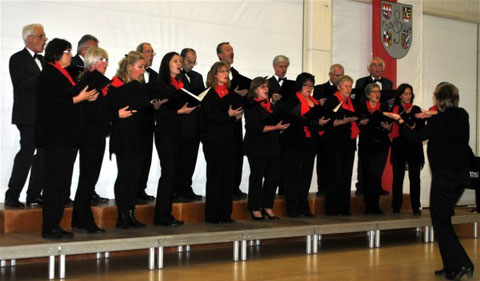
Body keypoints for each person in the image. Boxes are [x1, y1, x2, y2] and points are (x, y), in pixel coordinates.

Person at [384, 82, 474, 280]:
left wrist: (399, 121)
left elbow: (416, 137)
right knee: (443, 220)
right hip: (460, 177)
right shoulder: (463, 115)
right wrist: (430, 115)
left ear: (439, 100)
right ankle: (451, 265)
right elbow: (449, 116)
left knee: (440, 220)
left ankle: (462, 263)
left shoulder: (437, 122)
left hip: (444, 178)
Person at [36, 38, 99, 239]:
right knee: (54, 182)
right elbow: (52, 105)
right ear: (56, 54)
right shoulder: (49, 74)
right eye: (67, 51)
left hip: (66, 136)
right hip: (55, 136)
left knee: (62, 182)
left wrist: (85, 98)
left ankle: (56, 223)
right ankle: (49, 226)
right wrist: (78, 98)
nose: (70, 55)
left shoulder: (65, 73)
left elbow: (68, 102)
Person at [71, 47, 131, 233]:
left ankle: (79, 218)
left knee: (90, 178)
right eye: (102, 59)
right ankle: (83, 219)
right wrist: (116, 114)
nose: (105, 63)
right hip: (89, 135)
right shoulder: (89, 81)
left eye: (106, 59)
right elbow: (92, 113)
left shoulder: (101, 83)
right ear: (92, 61)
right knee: (88, 178)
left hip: (97, 135)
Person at [107, 51, 161, 229]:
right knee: (125, 175)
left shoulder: (139, 87)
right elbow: (109, 109)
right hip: (124, 136)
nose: (142, 71)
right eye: (140, 67)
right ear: (129, 67)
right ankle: (122, 215)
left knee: (134, 176)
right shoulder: (115, 85)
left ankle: (130, 212)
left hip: (139, 136)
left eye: (144, 68)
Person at [5, 23, 47, 208]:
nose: (44, 39)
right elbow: (20, 86)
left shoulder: (44, 61)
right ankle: (12, 194)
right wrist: (44, 75)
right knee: (27, 152)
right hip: (28, 116)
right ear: (30, 38)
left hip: (44, 116)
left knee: (44, 154)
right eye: (41, 36)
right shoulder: (17, 59)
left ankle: (34, 194)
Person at [153, 51, 196, 226]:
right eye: (175, 61)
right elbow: (161, 113)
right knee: (168, 173)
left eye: (180, 61)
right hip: (165, 133)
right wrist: (179, 111)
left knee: (173, 173)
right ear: (166, 65)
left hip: (177, 132)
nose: (179, 64)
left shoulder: (180, 84)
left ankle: (167, 213)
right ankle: (161, 215)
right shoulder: (162, 84)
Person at [281, 73, 329, 218]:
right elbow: (291, 120)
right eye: (306, 85)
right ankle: (292, 208)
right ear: (300, 85)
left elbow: (315, 119)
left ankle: (304, 206)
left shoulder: (314, 101)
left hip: (310, 142)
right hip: (296, 142)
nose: (309, 88)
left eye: (311, 85)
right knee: (293, 176)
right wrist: (314, 122)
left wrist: (321, 122)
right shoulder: (293, 100)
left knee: (306, 175)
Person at [201, 61, 243, 223]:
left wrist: (237, 117)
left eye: (227, 71)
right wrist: (228, 115)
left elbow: (232, 118)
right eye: (222, 71)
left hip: (229, 139)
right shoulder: (208, 94)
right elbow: (208, 118)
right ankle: (212, 215)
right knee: (215, 176)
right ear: (214, 75)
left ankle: (225, 214)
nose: (226, 74)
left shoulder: (231, 95)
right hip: (213, 141)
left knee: (227, 177)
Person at [244, 77, 289, 220]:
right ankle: (255, 207)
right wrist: (276, 127)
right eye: (263, 87)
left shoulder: (270, 105)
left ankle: (267, 206)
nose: (266, 89)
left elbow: (274, 121)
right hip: (256, 145)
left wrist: (280, 127)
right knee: (257, 177)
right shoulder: (250, 105)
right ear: (255, 89)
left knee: (273, 177)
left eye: (267, 87)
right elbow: (255, 128)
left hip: (272, 144)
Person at [323, 75, 367, 216]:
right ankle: (331, 208)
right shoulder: (332, 101)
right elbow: (328, 123)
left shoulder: (352, 102)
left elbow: (357, 117)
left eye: (350, 86)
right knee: (334, 175)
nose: (348, 89)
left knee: (346, 175)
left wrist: (360, 121)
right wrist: (344, 121)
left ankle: (344, 207)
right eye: (346, 86)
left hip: (349, 142)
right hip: (335, 143)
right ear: (338, 86)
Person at [172, 48, 205, 202]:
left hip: (195, 123)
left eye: (194, 62)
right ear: (182, 59)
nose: (191, 65)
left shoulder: (198, 76)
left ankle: (187, 187)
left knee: (191, 159)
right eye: (189, 62)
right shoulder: (175, 76)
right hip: (180, 123)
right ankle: (176, 188)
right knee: (178, 158)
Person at [217, 42, 248, 199]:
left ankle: (235, 187)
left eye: (232, 50)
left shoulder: (235, 73)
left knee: (237, 153)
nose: (232, 52)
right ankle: (226, 188)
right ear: (220, 55)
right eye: (228, 50)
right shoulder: (216, 74)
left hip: (236, 119)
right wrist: (233, 93)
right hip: (223, 122)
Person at [389, 84, 425, 215]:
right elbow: (391, 127)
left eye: (410, 93)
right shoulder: (395, 109)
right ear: (400, 95)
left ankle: (416, 206)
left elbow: (421, 127)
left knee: (415, 177)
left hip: (414, 146)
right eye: (405, 94)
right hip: (399, 146)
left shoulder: (416, 109)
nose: (408, 96)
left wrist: (414, 128)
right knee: (398, 177)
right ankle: (396, 206)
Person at [357, 83, 392, 214]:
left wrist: (389, 128)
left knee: (377, 175)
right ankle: (368, 206)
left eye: (379, 91)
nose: (377, 94)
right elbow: (355, 124)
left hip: (381, 144)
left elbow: (390, 126)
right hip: (366, 144)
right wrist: (360, 123)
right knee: (367, 174)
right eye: (374, 91)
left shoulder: (384, 108)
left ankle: (375, 205)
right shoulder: (361, 108)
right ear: (367, 94)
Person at [312, 63, 344, 197]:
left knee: (337, 162)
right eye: (337, 75)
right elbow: (314, 108)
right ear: (330, 75)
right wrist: (320, 103)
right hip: (324, 129)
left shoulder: (345, 91)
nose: (340, 77)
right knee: (323, 160)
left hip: (338, 129)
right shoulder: (320, 88)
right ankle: (322, 187)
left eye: (342, 75)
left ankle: (335, 188)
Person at [136, 42, 159, 202]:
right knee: (135, 159)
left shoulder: (155, 75)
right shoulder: (133, 74)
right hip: (135, 122)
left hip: (149, 122)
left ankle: (141, 189)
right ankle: (134, 189)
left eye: (152, 52)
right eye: (147, 52)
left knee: (146, 158)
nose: (150, 55)